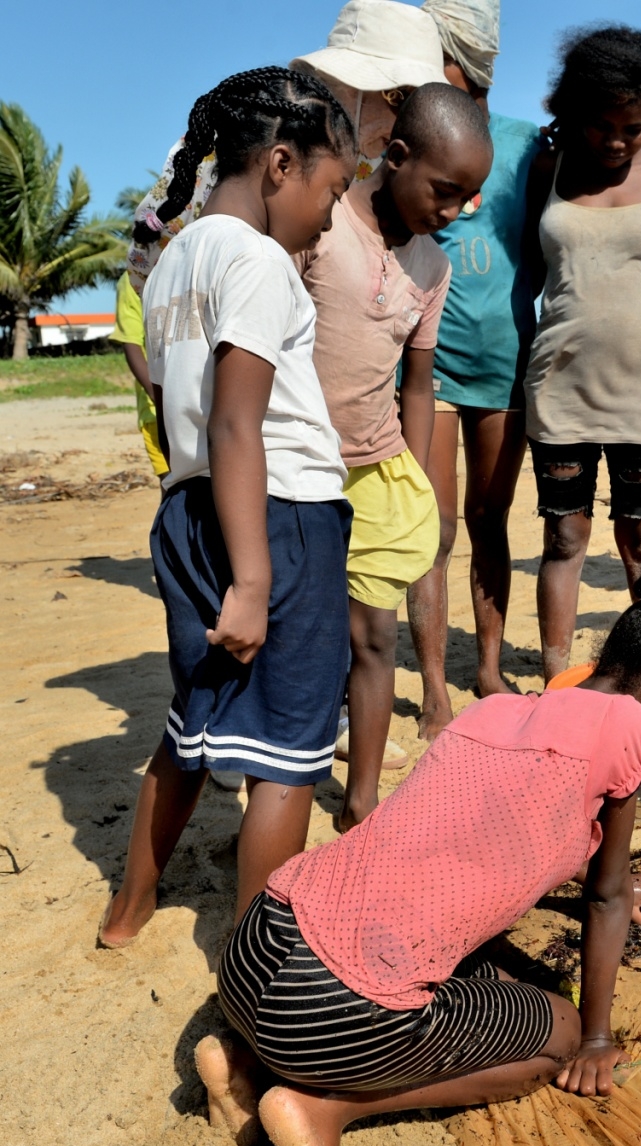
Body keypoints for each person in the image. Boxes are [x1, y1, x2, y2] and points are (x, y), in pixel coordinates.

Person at [193, 553, 641, 1146]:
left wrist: (611, 873)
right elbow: (604, 902)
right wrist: (597, 1037)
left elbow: (481, 833)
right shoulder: (629, 727)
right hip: (326, 1012)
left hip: (254, 952)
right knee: (554, 1037)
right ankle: (324, 1111)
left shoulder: (498, 710)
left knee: (459, 970)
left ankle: (239, 1060)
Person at [97, 70, 358, 949]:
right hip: (276, 520)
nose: (329, 218)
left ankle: (128, 909)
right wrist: (254, 576)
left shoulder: (177, 259)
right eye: (331, 192)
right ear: (281, 165)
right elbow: (242, 422)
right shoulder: (258, 263)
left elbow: (186, 413)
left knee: (192, 722)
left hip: (190, 513)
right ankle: (260, 967)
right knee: (287, 757)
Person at [297, 83, 492, 831]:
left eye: (466, 199)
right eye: (444, 191)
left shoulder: (433, 267)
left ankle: (362, 801)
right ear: (397, 155)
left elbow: (418, 379)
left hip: (377, 469)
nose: (450, 212)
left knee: (375, 637)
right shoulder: (323, 224)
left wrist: (419, 482)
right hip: (299, 468)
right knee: (300, 633)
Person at [524, 25, 641, 683]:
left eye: (634, 126)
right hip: (560, 396)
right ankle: (555, 681)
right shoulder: (546, 169)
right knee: (565, 540)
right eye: (602, 125)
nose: (617, 140)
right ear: (576, 111)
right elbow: (526, 282)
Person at [408, 0, 543, 738]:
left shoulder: (527, 148)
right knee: (432, 527)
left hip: (506, 368)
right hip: (429, 372)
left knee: (491, 517)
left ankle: (488, 665)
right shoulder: (412, 137)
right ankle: (433, 686)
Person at [125, 0, 446, 294]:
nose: (408, 128)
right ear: (358, 85)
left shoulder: (376, 164)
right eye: (403, 104)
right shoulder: (249, 130)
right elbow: (150, 266)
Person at [111, 270, 167, 478]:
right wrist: (157, 396)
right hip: (157, 411)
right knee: (173, 487)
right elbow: (131, 342)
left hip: (200, 405)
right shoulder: (133, 278)